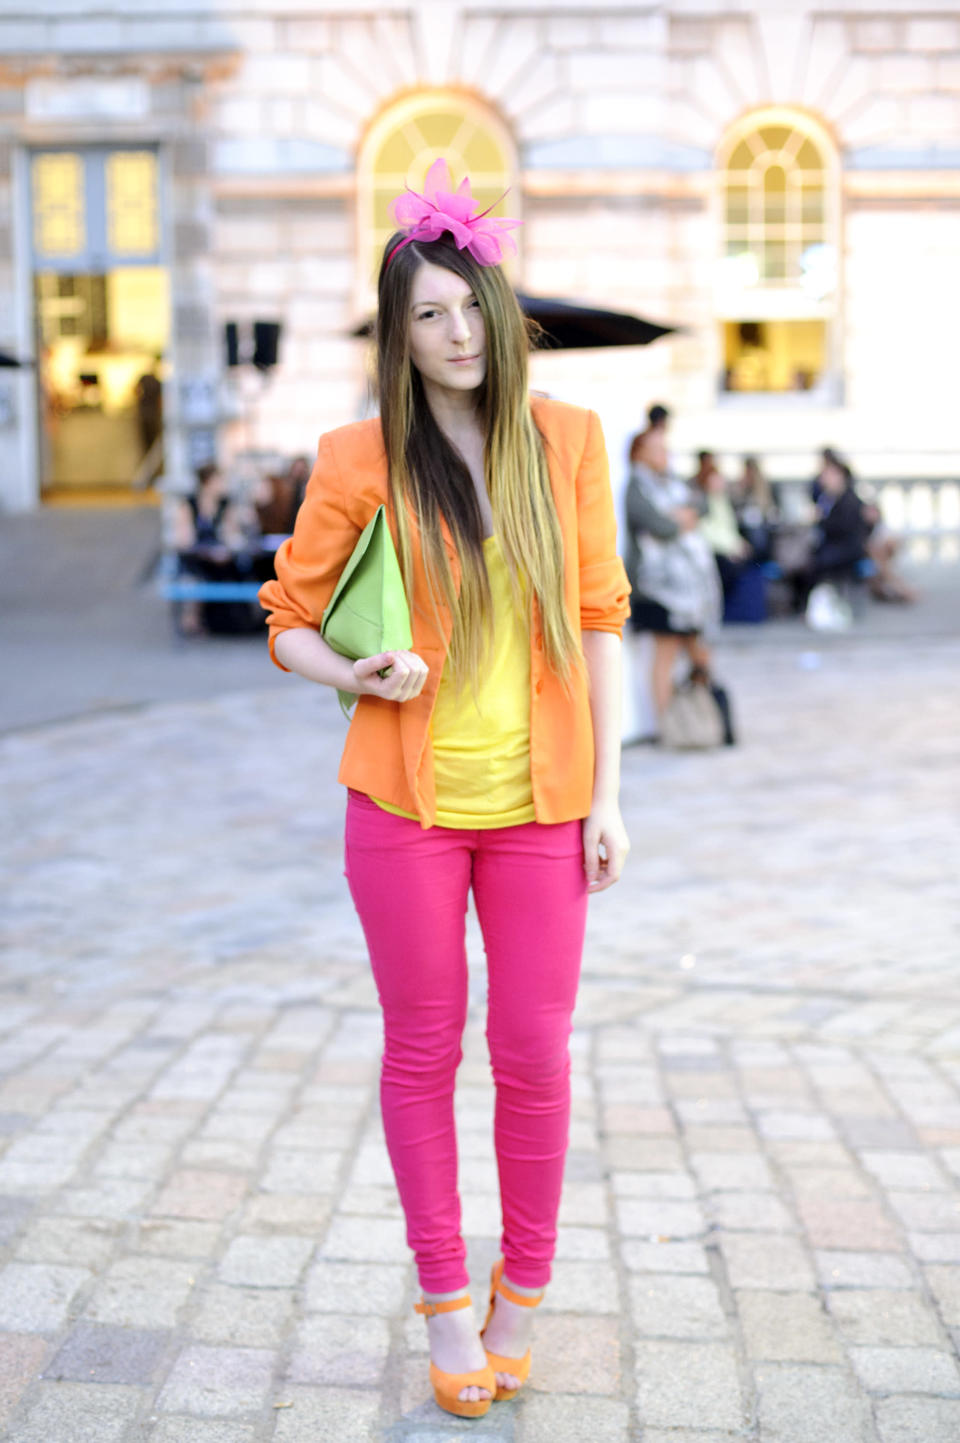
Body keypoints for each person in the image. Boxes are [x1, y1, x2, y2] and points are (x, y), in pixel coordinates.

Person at [258, 159, 630, 1419]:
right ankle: (440, 1302)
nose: (457, 333)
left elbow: (601, 622)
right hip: (403, 812)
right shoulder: (358, 454)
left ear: (498, 305)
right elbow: (287, 619)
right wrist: (353, 673)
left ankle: (521, 1293)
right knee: (423, 1050)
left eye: (469, 304)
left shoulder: (567, 442)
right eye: (428, 314)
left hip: (543, 807)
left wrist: (611, 798)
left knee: (532, 1049)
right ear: (398, 333)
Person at [624, 430, 720, 721]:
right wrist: (679, 518)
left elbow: (701, 504)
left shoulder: (673, 482)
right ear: (640, 453)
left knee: (700, 651)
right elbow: (659, 525)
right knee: (664, 654)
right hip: (658, 587)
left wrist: (677, 516)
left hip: (691, 589)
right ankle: (667, 724)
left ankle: (703, 717)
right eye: (657, 449)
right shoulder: (637, 487)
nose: (664, 455)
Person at [171, 463, 261, 634]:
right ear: (207, 482)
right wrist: (207, 551)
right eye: (219, 480)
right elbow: (184, 540)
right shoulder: (189, 505)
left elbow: (231, 534)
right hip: (197, 560)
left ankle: (238, 620)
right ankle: (193, 621)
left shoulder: (225, 504)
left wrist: (229, 542)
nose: (223, 484)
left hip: (222, 559)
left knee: (241, 572)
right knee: (197, 579)